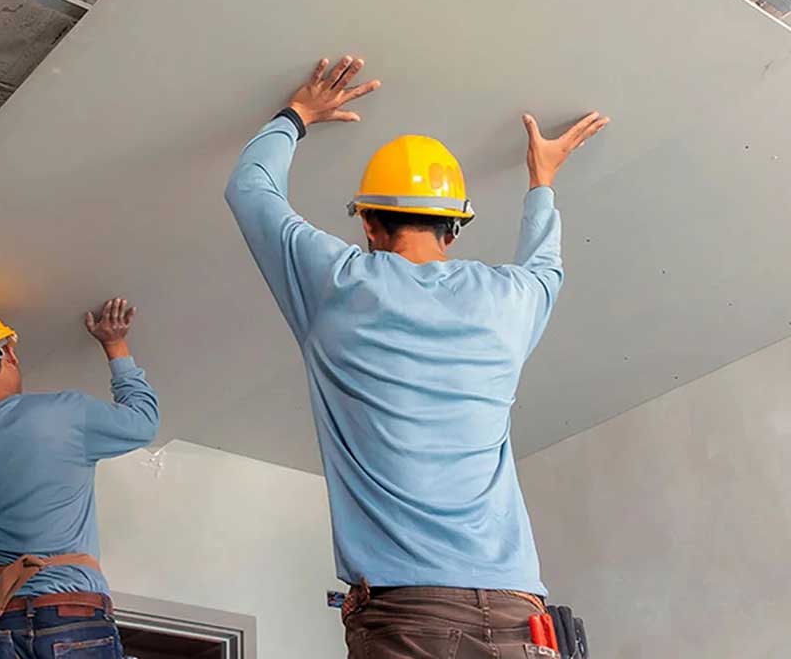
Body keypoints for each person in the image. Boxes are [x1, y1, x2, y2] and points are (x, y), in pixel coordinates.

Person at [225, 55, 608, 658]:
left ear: (369, 225)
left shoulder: (339, 285)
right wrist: (542, 180)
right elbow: (546, 267)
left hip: (411, 618)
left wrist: (297, 114)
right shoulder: (507, 301)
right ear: (454, 228)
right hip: (521, 618)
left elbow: (249, 189)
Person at [0, 297, 158, 659]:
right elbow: (144, 422)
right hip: (72, 612)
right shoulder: (65, 414)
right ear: (9, 355)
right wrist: (115, 344)